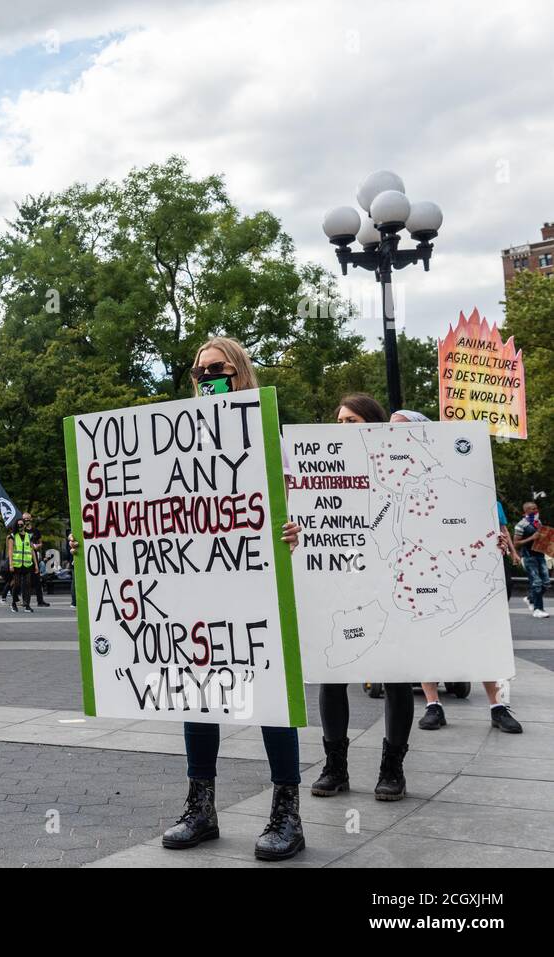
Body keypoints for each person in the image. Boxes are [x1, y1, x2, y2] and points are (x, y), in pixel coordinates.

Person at [162, 336, 304, 861]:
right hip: (199, 586)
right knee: (198, 692)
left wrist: (297, 531)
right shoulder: (174, 439)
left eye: (215, 369)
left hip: (258, 585)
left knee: (271, 699)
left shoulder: (270, 434)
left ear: (239, 370)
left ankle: (286, 812)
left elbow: (303, 505)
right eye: (198, 372)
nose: (205, 378)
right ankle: (201, 806)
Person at [283, 393, 413, 803]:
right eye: (338, 421)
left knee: (395, 676)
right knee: (331, 673)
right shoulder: (319, 474)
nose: (342, 429)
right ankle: (335, 766)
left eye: (352, 421)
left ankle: (392, 768)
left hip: (388, 584)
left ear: (373, 426)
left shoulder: (399, 471)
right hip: (336, 584)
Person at [385, 411, 525, 735]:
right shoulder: (397, 479)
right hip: (420, 566)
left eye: (401, 429)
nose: (393, 434)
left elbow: (483, 513)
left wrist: (498, 538)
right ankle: (434, 705)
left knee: (480, 634)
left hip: (462, 566)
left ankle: (498, 706)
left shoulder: (455, 471)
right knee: (426, 635)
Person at [514, 501, 550, 619]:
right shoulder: (521, 525)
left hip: (540, 555)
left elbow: (540, 538)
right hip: (529, 557)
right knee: (537, 583)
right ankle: (538, 609)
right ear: (526, 511)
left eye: (536, 508)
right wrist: (531, 538)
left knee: (546, 583)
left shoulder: (537, 522)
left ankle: (530, 598)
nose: (535, 510)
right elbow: (516, 543)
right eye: (532, 509)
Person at [6, 517, 37, 614]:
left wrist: (36, 565)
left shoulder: (29, 536)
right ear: (16, 525)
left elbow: (32, 551)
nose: (20, 526)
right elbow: (10, 551)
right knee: (17, 584)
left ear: (24, 525)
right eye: (18, 525)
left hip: (27, 564)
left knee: (28, 584)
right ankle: (14, 603)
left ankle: (27, 605)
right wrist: (11, 564)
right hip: (17, 564)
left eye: (22, 524)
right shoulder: (12, 536)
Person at [22, 512, 50, 607]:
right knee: (25, 581)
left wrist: (36, 546)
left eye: (28, 519)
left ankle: (40, 601)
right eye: (24, 519)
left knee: (37, 580)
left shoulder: (36, 531)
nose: (26, 521)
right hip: (24, 559)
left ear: (31, 519)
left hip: (35, 558)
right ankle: (25, 601)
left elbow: (41, 543)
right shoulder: (21, 530)